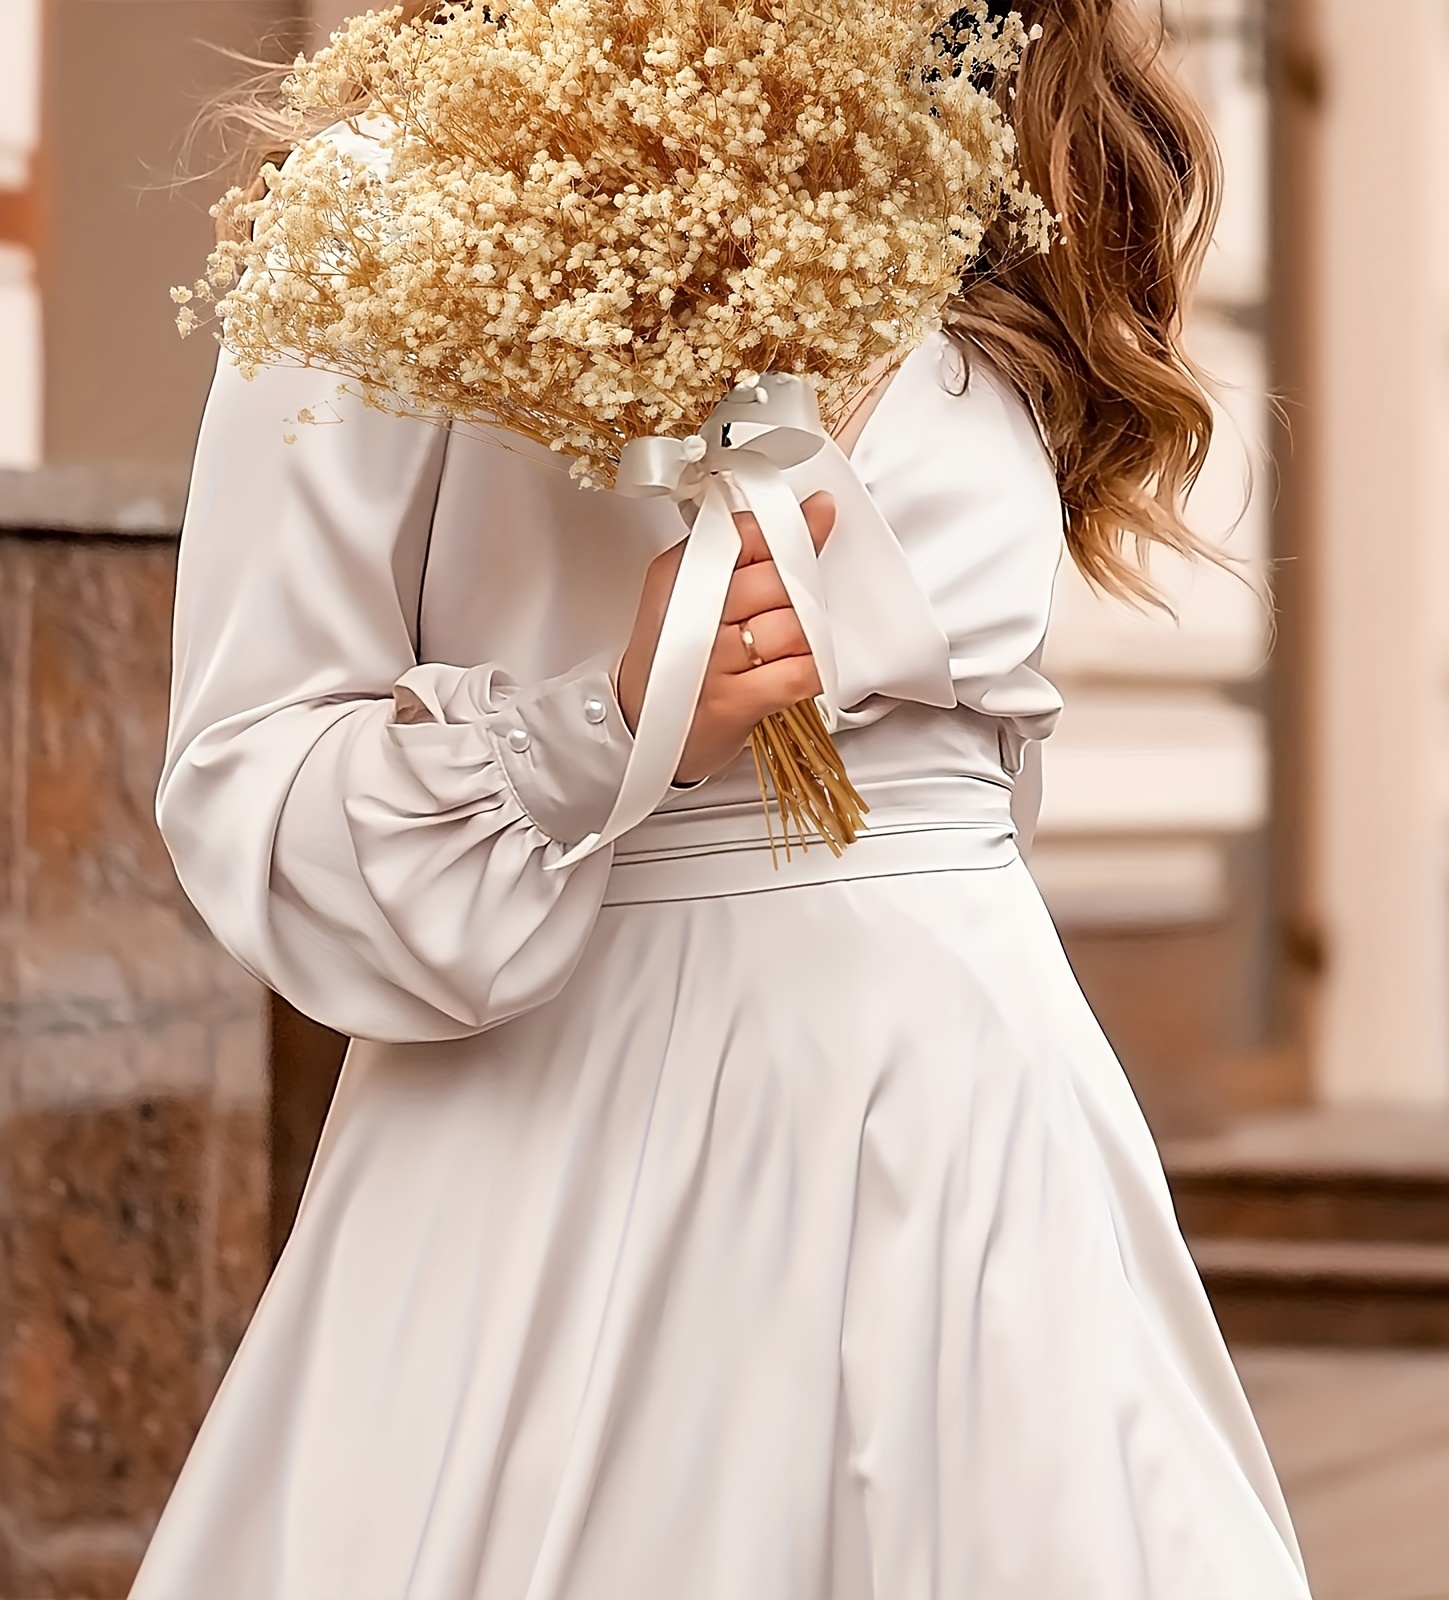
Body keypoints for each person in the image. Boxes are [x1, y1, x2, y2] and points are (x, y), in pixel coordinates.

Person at [132, 1, 1312, 1596]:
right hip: (577, 1150)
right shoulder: (395, 192)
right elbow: (246, 780)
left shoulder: (987, 164)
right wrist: (604, 729)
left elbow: (976, 781)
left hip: (981, 1126)